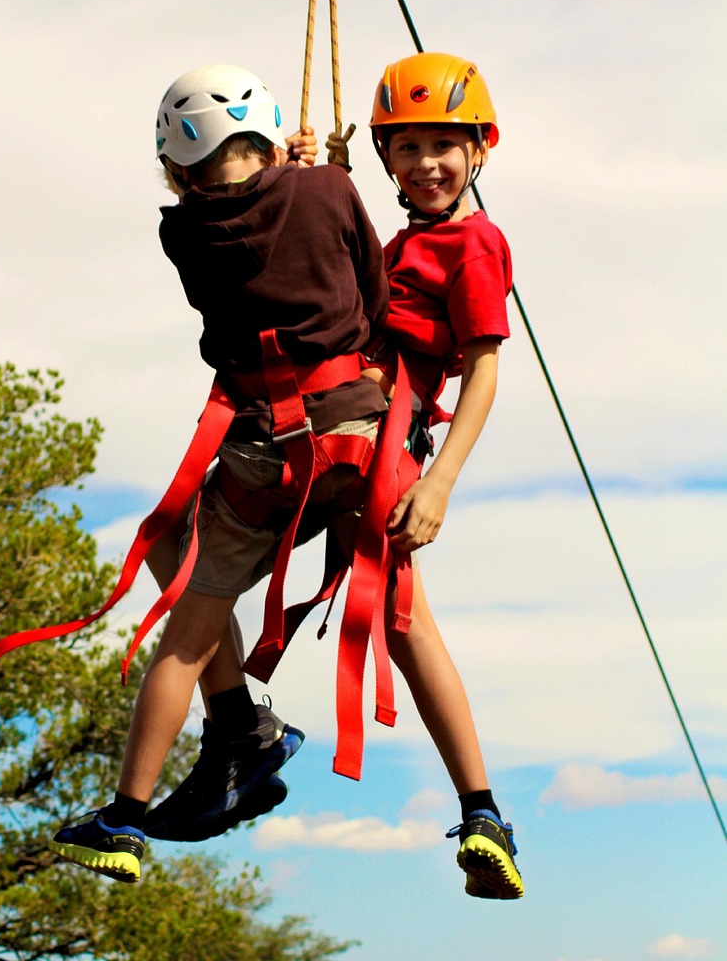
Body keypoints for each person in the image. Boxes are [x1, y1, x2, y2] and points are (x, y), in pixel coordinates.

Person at [156, 52, 524, 900]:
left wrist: (437, 486)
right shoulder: (408, 240)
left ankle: (478, 813)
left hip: (378, 450)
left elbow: (485, 371)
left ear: (480, 148)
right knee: (185, 552)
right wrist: (298, 176)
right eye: (407, 148)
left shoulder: (473, 243)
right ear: (384, 157)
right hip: (336, 438)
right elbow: (335, 268)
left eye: (443, 145)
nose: (425, 163)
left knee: (401, 621)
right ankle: (241, 738)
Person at [49, 63, 393, 883]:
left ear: (176, 167)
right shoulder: (326, 191)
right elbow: (371, 294)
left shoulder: (183, 233)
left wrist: (296, 170)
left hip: (267, 450)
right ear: (269, 136)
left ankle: (130, 813)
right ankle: (241, 725)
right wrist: (314, 172)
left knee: (188, 615)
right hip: (357, 435)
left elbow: (254, 212)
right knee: (171, 541)